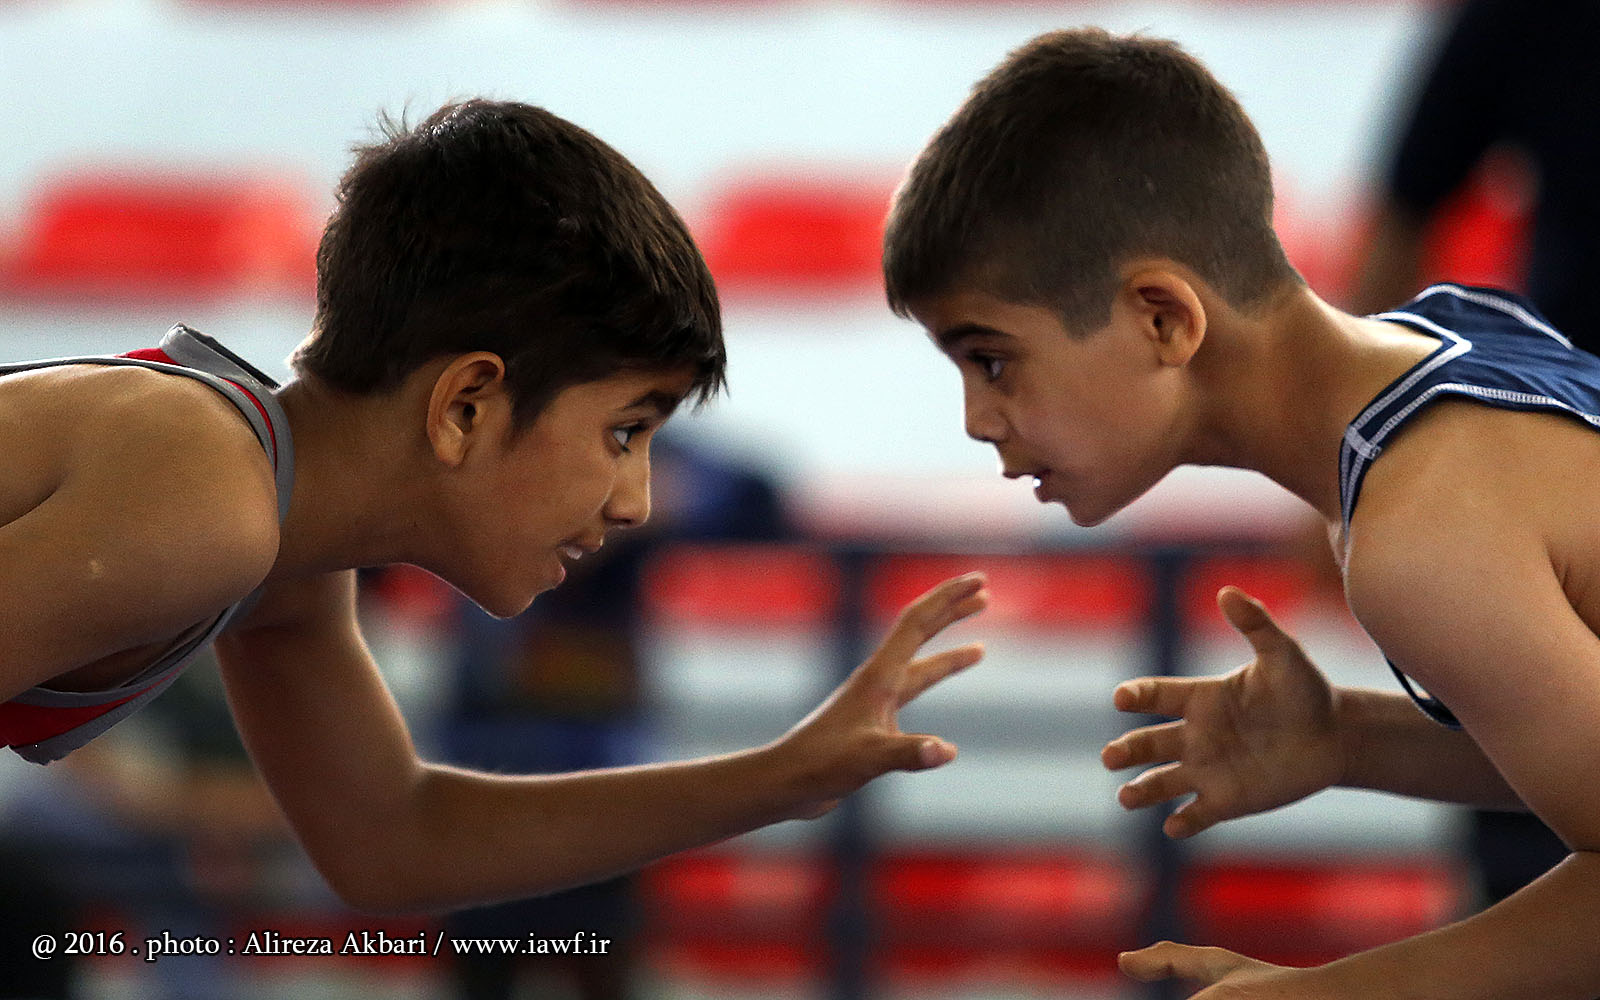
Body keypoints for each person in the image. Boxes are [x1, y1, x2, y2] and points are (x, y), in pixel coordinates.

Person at [0, 99, 990, 915]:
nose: (638, 501)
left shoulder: (285, 554)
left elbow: (395, 843)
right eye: (625, 432)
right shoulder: (211, 506)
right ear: (465, 406)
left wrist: (784, 775)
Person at [883, 28, 1600, 996]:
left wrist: (1319, 992)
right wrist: (1350, 737)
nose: (976, 419)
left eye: (993, 360)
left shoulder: (1421, 528)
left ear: (1163, 318)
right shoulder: (1460, 332)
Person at [1347, 0, 1596, 910]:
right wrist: (1351, 457)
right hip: (1568, 455)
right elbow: (1405, 208)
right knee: (1535, 836)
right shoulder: (1524, 17)